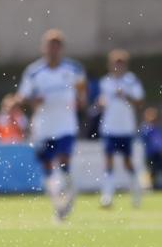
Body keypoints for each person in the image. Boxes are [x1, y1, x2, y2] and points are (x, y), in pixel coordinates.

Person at [16, 29, 87, 221]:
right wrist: (31, 100)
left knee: (64, 161)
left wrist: (81, 99)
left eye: (57, 45)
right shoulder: (34, 72)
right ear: (44, 48)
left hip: (66, 124)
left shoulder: (73, 69)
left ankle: (70, 192)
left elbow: (82, 90)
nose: (53, 49)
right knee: (47, 166)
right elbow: (22, 96)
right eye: (50, 45)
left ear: (61, 48)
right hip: (43, 126)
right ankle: (59, 205)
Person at [96, 49, 144, 208]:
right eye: (115, 64)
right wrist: (101, 103)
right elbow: (101, 102)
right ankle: (107, 196)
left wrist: (125, 95)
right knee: (108, 161)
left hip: (125, 128)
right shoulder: (105, 81)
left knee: (127, 162)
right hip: (109, 127)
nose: (117, 67)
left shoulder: (131, 81)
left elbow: (139, 102)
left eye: (120, 64)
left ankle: (136, 192)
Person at [140, 107, 162, 190]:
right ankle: (151, 187)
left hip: (159, 154)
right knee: (151, 171)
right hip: (150, 154)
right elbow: (145, 139)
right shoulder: (145, 128)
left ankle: (156, 186)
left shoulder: (158, 128)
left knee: (157, 170)